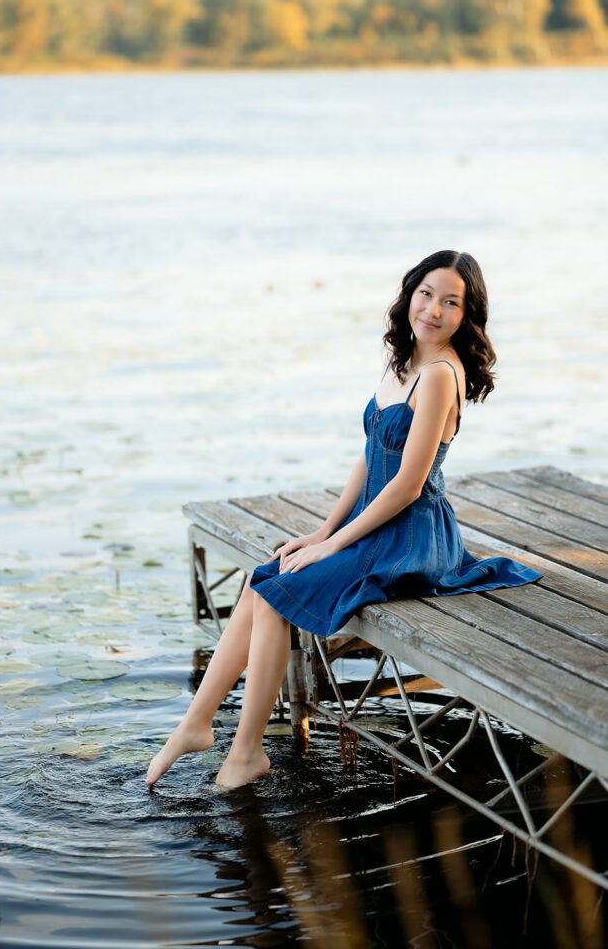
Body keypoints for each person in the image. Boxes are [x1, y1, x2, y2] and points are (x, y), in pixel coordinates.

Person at [145, 250, 542, 791]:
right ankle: (197, 724)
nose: (433, 309)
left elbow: (405, 485)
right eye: (426, 293)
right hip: (374, 523)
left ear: (466, 315)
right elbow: (369, 454)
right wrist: (323, 532)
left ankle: (246, 750)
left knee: (275, 592)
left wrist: (332, 550)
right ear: (409, 295)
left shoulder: (441, 375)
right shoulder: (400, 361)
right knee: (266, 575)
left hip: (413, 533)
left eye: (452, 302)